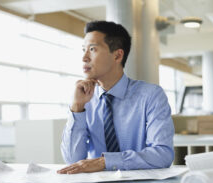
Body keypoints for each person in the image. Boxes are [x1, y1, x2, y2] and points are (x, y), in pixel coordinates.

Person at [57, 21, 174, 174]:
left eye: (92, 49)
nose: (84, 58)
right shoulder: (84, 99)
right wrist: (77, 108)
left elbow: (163, 155)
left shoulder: (151, 95)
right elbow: (73, 160)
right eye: (83, 50)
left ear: (118, 55)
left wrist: (105, 162)